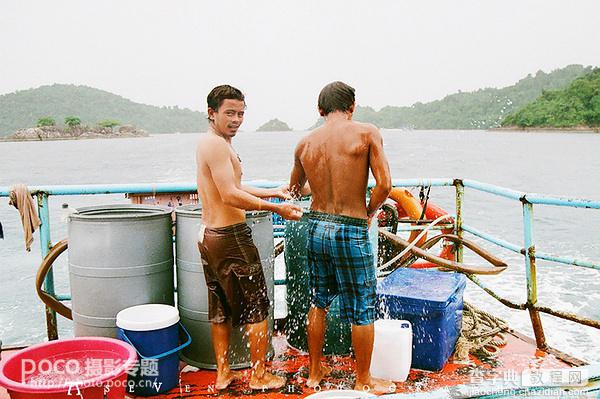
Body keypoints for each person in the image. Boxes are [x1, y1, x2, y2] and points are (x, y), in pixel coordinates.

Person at [288, 81, 394, 393]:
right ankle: (363, 380)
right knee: (362, 305)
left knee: (318, 301)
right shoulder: (366, 132)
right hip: (351, 226)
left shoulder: (305, 144)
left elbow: (295, 190)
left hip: (317, 227)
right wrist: (371, 210)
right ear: (352, 107)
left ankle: (314, 373)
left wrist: (320, 186)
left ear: (320, 110)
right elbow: (385, 185)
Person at [196, 84, 302, 390]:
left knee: (220, 309)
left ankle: (223, 373)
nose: (237, 119)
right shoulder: (216, 145)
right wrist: (276, 209)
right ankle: (258, 375)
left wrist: (273, 191)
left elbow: (232, 186)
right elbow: (230, 196)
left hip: (208, 236)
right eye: (230, 113)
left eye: (241, 113)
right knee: (257, 306)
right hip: (230, 237)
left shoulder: (213, 143)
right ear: (211, 113)